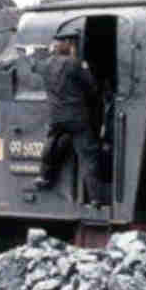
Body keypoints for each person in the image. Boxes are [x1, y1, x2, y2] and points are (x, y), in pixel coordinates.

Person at [34, 30, 104, 204]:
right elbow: (92, 88)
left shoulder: (46, 65)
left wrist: (33, 54)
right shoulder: (75, 64)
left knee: (51, 142)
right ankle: (95, 197)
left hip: (56, 118)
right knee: (88, 156)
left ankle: (43, 176)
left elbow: (34, 66)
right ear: (68, 45)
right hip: (76, 118)